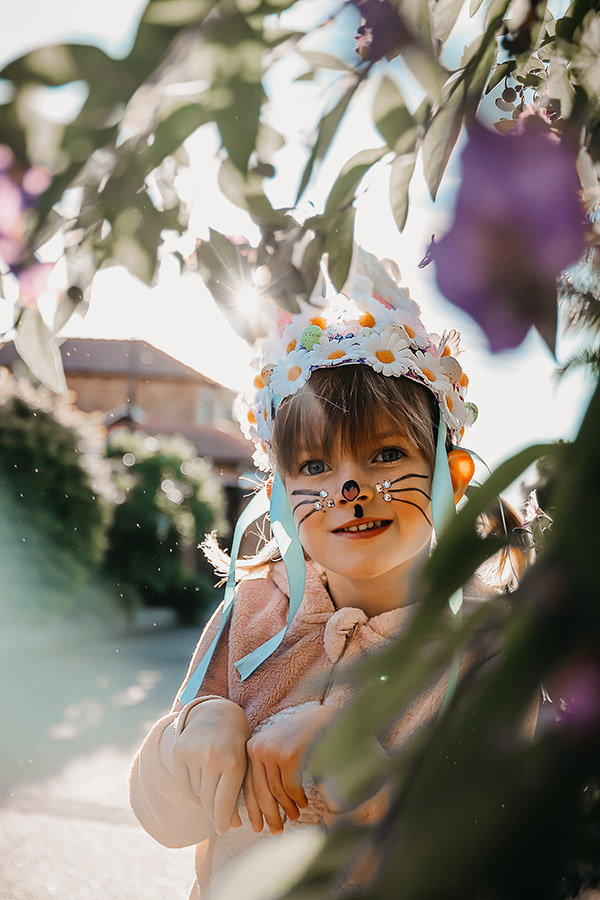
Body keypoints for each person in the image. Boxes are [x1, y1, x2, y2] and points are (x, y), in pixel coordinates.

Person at [129, 247, 530, 899]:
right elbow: (166, 821)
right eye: (315, 466)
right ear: (280, 491)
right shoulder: (251, 613)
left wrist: (359, 766)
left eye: (387, 453)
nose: (349, 487)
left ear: (450, 473)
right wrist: (191, 736)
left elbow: (494, 851)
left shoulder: (483, 649)